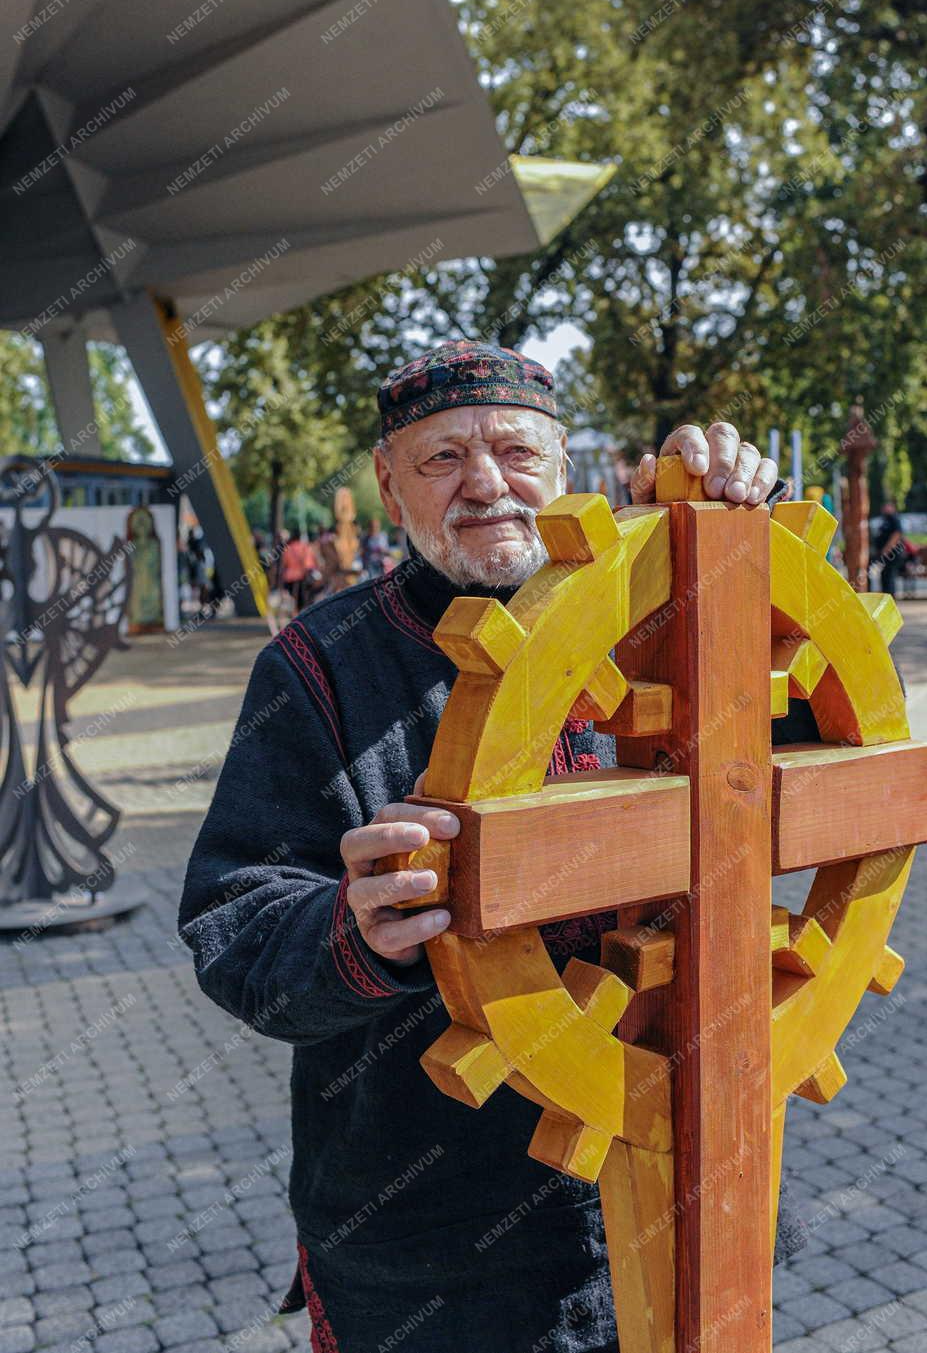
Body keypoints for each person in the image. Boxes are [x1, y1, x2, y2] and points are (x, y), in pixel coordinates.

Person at [179, 340, 792, 1353]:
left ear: (564, 468)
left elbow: (812, 751)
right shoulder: (314, 668)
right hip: (424, 1244)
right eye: (441, 460)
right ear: (387, 484)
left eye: (513, 450)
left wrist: (729, 543)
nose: (485, 485)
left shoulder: (665, 616)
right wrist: (354, 929)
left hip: (664, 1178)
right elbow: (232, 922)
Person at [277, 527, 317, 612]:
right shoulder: (305, 547)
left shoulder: (288, 548)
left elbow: (284, 564)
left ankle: (294, 615)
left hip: (289, 578)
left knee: (293, 600)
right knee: (303, 601)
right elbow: (309, 565)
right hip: (302, 578)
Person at [873, 498, 905, 597]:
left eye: (887, 507)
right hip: (886, 554)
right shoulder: (885, 519)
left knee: (889, 575)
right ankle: (886, 596)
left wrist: (886, 549)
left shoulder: (894, 518)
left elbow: (896, 534)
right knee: (885, 574)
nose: (884, 509)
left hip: (892, 554)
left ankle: (890, 596)